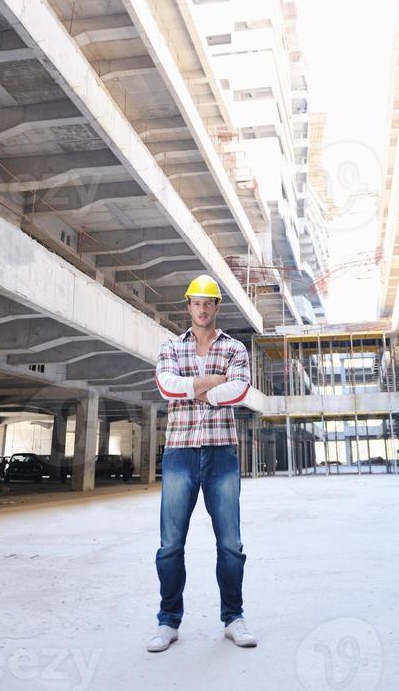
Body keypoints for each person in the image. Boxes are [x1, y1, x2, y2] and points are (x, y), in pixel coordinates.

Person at [146, 274, 257, 652]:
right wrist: (210, 381)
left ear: (217, 306)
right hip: (179, 453)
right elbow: (164, 386)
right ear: (188, 305)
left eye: (209, 302)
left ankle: (233, 618)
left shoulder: (236, 349)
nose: (203, 308)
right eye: (197, 302)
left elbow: (239, 390)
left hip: (222, 452)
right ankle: (168, 621)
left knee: (230, 544)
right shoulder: (169, 347)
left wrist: (192, 389)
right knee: (170, 545)